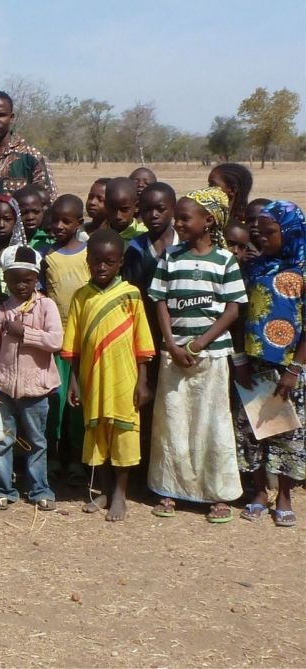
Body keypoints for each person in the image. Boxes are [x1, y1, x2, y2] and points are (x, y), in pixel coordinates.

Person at [147, 190, 245, 523]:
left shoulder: (225, 260)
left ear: (209, 221)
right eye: (178, 218)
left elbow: (232, 311)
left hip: (212, 357)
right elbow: (160, 301)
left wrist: (198, 344)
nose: (178, 223)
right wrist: (172, 344)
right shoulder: (171, 256)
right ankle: (171, 490)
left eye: (185, 218)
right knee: (172, 422)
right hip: (173, 355)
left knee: (213, 423)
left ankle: (217, 494)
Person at [63, 229, 155, 522]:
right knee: (97, 432)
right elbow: (74, 345)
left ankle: (120, 494)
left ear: (120, 262)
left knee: (123, 434)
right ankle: (103, 489)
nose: (101, 267)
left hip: (124, 379)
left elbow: (143, 343)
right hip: (92, 378)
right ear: (87, 261)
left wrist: (142, 380)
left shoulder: (130, 295)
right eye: (96, 261)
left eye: (109, 261)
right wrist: (74, 381)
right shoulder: (82, 296)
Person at [236, 201, 306, 527]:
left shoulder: (302, 270)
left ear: (289, 231)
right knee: (256, 431)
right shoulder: (253, 268)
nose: (261, 237)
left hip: (291, 366)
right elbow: (239, 314)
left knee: (287, 431)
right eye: (259, 232)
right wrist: (240, 360)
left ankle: (286, 495)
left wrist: (294, 370)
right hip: (253, 362)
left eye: (270, 232)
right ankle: (261, 492)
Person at [0, 245, 62, 511]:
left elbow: (56, 341)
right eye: (14, 280)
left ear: (36, 279)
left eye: (27, 280)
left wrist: (24, 332)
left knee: (37, 441)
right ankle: (3, 488)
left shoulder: (46, 306)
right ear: (5, 279)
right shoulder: (1, 311)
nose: (21, 285)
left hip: (36, 389)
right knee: (3, 441)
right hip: (3, 388)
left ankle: (40, 489)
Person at [40, 195, 92, 481]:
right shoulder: (46, 255)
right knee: (54, 405)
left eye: (66, 221)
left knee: (76, 405)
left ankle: (75, 460)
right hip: (54, 342)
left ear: (78, 223)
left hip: (82, 341)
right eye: (55, 220)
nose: (58, 226)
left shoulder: (88, 254)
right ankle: (52, 458)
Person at [14, 184, 51, 249]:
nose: (30, 217)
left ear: (42, 211)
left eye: (36, 212)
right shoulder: (6, 241)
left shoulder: (49, 242)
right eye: (24, 213)